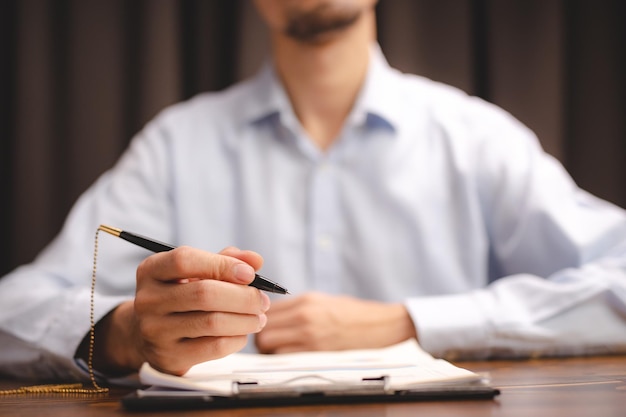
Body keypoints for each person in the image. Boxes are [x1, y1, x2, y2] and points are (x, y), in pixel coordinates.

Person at [2, 0, 626, 382]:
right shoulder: (175, 145)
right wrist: (125, 333)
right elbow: (14, 310)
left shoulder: (476, 139)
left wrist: (408, 322)